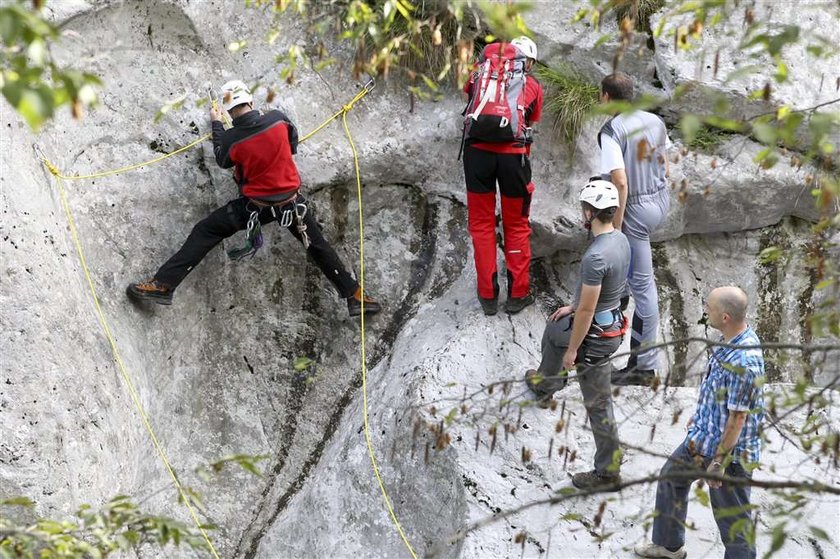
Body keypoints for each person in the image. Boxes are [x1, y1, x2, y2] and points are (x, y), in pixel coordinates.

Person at [127, 80, 381, 317]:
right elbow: (292, 146)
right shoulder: (279, 120)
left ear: (227, 110)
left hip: (255, 209)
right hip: (292, 204)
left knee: (206, 231)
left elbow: (222, 159)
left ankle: (163, 285)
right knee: (317, 246)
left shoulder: (231, 139)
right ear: (250, 101)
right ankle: (354, 296)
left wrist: (217, 124)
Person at [635, 286, 765, 559]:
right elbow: (722, 394)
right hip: (702, 438)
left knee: (733, 520)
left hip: (729, 454)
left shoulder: (744, 361)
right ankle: (669, 546)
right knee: (671, 479)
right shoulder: (730, 339)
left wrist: (718, 463)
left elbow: (738, 418)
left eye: (710, 308)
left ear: (726, 316)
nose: (706, 310)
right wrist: (703, 413)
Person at [525, 179, 631, 490]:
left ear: (588, 213)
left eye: (583, 209)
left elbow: (586, 313)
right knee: (556, 328)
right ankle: (546, 384)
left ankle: (608, 472)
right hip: (611, 322)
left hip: (595, 337)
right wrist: (572, 306)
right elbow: (594, 299)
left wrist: (573, 351)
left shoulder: (594, 257)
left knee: (598, 403)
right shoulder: (620, 240)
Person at [597, 72, 671, 386]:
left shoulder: (612, 130)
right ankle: (623, 290)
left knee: (645, 290)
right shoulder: (654, 121)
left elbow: (620, 182)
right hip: (660, 200)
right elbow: (665, 161)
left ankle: (643, 366)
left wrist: (617, 226)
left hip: (636, 209)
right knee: (633, 273)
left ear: (605, 97)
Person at [462, 36, 544, 316]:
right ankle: (517, 294)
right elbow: (530, 120)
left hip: (476, 155)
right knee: (517, 225)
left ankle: (487, 295)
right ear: (527, 62)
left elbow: (469, 94)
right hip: (514, 157)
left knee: (481, 225)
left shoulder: (479, 74)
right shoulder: (531, 84)